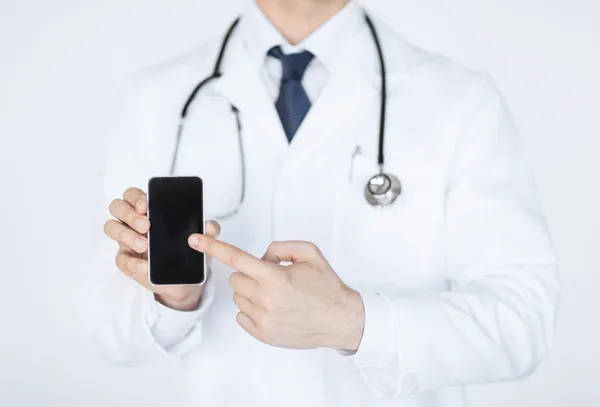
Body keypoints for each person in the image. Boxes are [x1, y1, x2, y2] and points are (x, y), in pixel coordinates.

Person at [81, 0, 560, 406]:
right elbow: (106, 328)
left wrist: (352, 322)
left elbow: (524, 321)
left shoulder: (460, 100)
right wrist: (172, 299)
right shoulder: (158, 99)